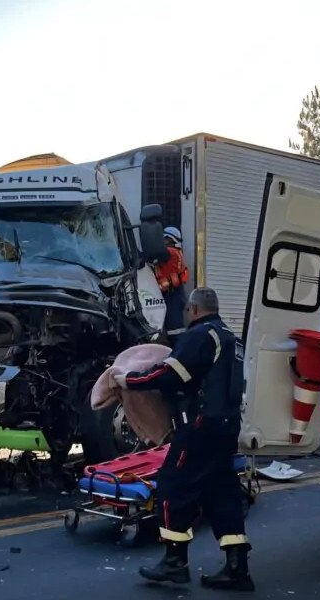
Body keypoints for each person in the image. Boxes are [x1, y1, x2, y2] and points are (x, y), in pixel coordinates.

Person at [113, 287, 253, 591]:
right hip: (227, 425)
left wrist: (128, 380)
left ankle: (175, 562)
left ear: (192, 309)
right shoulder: (232, 339)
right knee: (222, 491)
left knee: (173, 483)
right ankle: (236, 567)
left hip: (202, 426)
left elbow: (169, 374)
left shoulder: (200, 335)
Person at [153, 226, 189, 347]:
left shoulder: (169, 252)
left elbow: (153, 253)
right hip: (174, 293)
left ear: (169, 239)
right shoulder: (176, 252)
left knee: (174, 331)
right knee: (173, 329)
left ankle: (179, 353)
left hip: (173, 295)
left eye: (164, 238)